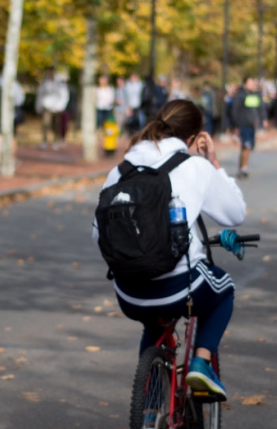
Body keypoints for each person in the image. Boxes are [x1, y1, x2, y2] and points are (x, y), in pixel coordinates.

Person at [95, 98, 247, 400]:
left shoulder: (120, 170)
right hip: (179, 287)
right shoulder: (196, 167)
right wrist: (214, 162)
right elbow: (235, 214)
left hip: (128, 292)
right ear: (192, 138)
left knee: (154, 326)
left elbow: (97, 233)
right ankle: (201, 362)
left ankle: (150, 414)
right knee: (224, 290)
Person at [230, 76, 262, 178]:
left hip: (251, 125)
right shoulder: (240, 95)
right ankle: (242, 169)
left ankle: (243, 168)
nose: (253, 85)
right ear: (245, 84)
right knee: (246, 146)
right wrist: (236, 126)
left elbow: (258, 109)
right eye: (250, 83)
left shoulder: (253, 95)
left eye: (253, 83)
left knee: (248, 147)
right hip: (243, 125)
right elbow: (235, 111)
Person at [38, 68, 70, 150]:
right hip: (47, 106)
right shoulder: (44, 82)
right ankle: (44, 141)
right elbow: (40, 94)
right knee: (46, 124)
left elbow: (64, 95)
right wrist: (39, 106)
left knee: (57, 125)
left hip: (57, 108)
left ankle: (56, 141)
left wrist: (61, 106)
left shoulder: (60, 82)